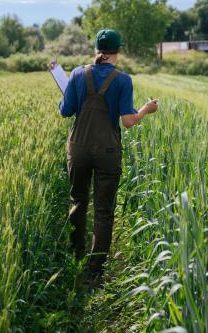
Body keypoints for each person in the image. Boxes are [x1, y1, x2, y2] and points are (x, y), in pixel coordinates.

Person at [59, 28, 158, 283]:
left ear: (96, 49)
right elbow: (127, 121)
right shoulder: (123, 80)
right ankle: (95, 269)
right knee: (103, 209)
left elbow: (65, 111)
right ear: (118, 51)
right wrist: (146, 109)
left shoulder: (78, 74)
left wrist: (70, 94)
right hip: (107, 152)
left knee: (77, 201)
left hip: (79, 148)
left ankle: (76, 251)